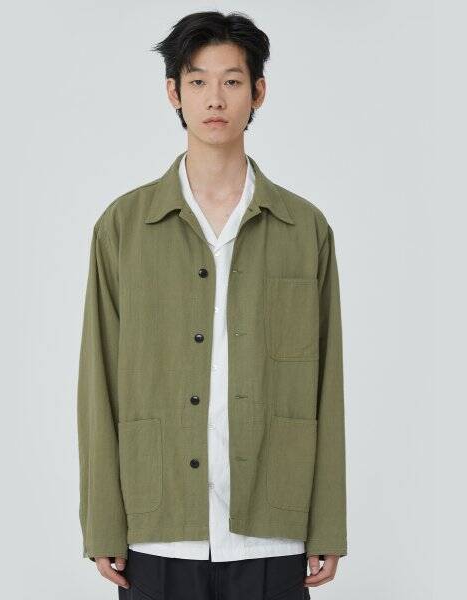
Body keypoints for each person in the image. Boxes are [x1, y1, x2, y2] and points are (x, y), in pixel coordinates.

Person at [77, 10, 347, 599]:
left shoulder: (304, 229)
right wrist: (102, 522)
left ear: (259, 92)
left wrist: (327, 522)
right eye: (198, 81)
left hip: (271, 534)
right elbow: (97, 382)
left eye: (232, 80)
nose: (215, 98)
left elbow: (328, 383)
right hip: (157, 532)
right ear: (174, 93)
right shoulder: (123, 227)